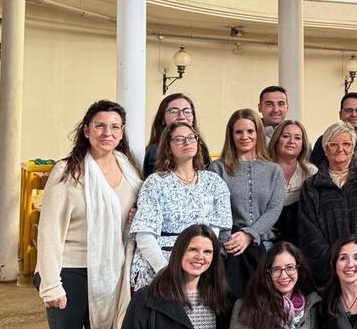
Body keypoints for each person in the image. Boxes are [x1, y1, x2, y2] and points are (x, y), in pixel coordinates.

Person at [36, 100, 142, 329]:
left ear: (122, 132)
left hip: (110, 273)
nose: (107, 133)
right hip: (70, 271)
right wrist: (50, 283)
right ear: (86, 130)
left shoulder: (129, 169)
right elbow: (49, 229)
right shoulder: (69, 171)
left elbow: (131, 217)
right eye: (100, 126)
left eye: (114, 127)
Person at [130, 123, 232, 292]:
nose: (187, 142)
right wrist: (165, 271)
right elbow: (144, 234)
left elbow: (213, 235)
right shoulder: (155, 182)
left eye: (192, 138)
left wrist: (200, 264)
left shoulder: (214, 183)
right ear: (168, 147)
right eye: (179, 139)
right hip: (160, 265)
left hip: (200, 266)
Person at [299, 122, 357, 285]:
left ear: (353, 148)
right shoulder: (311, 186)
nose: (340, 149)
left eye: (346, 144)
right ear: (325, 150)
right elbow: (309, 233)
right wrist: (335, 266)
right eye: (333, 145)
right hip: (327, 277)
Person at [209, 109, 285, 299]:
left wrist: (250, 234)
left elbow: (274, 208)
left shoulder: (273, 170)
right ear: (231, 135)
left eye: (250, 131)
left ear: (258, 133)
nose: (245, 137)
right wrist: (229, 241)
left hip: (264, 247)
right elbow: (212, 209)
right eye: (239, 132)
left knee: (262, 305)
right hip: (227, 248)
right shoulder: (217, 169)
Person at [269, 120, 318, 247]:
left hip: (301, 238)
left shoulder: (311, 172)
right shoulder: (263, 170)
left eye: (297, 138)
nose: (291, 141)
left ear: (303, 144)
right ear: (276, 140)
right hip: (268, 237)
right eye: (286, 136)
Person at [143, 93, 210, 177]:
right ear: (162, 119)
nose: (182, 116)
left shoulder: (201, 148)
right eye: (174, 111)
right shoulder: (154, 151)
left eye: (187, 112)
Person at [310, 93, 357, 167]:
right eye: (348, 110)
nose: (354, 114)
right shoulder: (326, 140)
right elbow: (315, 170)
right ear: (340, 115)